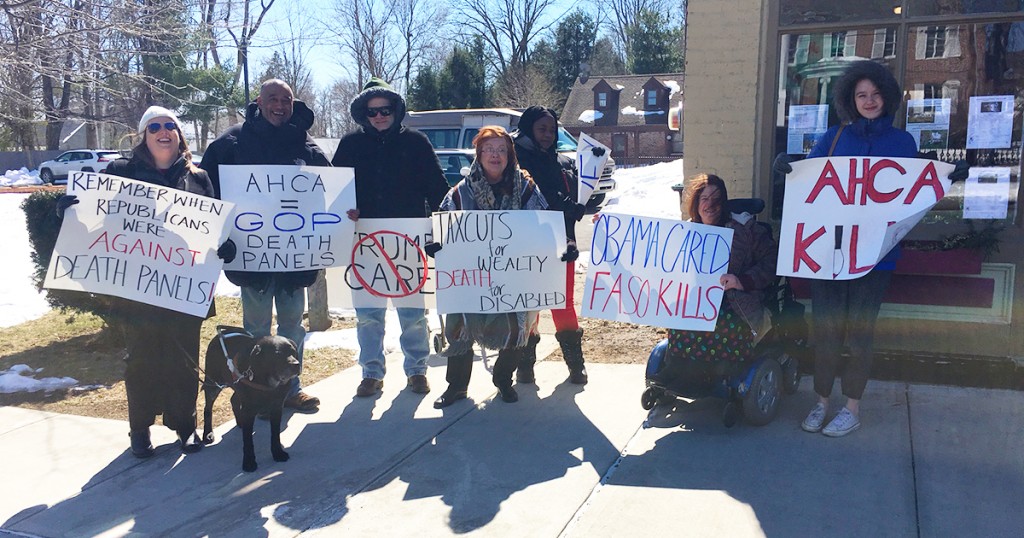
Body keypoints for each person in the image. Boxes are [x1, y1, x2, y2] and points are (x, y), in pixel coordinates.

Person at [774, 60, 966, 437]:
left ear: (887, 97)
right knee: (827, 330)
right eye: (861, 94)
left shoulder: (902, 143)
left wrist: (943, 177)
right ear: (850, 98)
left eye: (876, 94)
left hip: (876, 257)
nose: (869, 100)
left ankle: (852, 407)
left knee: (860, 334)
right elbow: (809, 186)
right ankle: (822, 401)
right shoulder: (832, 138)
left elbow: (911, 194)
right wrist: (790, 167)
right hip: (829, 254)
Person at [56, 106, 235, 458]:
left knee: (184, 359)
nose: (163, 131)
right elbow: (101, 221)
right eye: (155, 126)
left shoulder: (198, 178)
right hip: (137, 288)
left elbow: (212, 226)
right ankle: (139, 430)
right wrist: (69, 212)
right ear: (144, 134)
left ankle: (185, 425)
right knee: (141, 359)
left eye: (170, 125)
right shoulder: (121, 171)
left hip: (184, 286)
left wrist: (223, 245)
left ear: (179, 134)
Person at [200, 79, 329, 413]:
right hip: (251, 259)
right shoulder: (231, 142)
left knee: (292, 329)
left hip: (294, 260)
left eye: (286, 100)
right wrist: (219, 235)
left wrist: (345, 213)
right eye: (273, 99)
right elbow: (203, 189)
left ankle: (290, 389)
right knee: (255, 331)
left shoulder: (305, 142)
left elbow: (331, 187)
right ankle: (255, 391)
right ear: (259, 101)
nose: (279, 106)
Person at [333, 78, 450, 397]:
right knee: (368, 313)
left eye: (385, 109)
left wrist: (442, 227)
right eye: (372, 112)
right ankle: (371, 371)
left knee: (412, 311)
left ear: (396, 110)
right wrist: (346, 211)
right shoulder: (350, 145)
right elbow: (336, 193)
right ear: (363, 114)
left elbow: (439, 190)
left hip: (408, 239)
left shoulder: (416, 142)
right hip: (364, 240)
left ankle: (417, 369)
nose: (380, 116)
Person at [431, 126, 555, 408]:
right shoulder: (462, 191)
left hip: (514, 272)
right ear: (479, 154)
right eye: (489, 150)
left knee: (517, 325)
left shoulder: (525, 187)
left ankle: (503, 379)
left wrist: (562, 243)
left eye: (501, 150)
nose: (495, 155)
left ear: (510, 155)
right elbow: (442, 225)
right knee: (460, 326)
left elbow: (545, 223)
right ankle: (456, 387)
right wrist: (436, 242)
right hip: (471, 275)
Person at [656, 174, 778, 398]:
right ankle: (682, 375)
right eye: (704, 199)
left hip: (736, 304)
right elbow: (650, 259)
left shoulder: (745, 229)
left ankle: (715, 377)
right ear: (696, 203)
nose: (710, 205)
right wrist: (604, 230)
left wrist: (742, 281)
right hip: (697, 302)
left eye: (716, 199)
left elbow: (771, 260)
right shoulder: (685, 233)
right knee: (681, 325)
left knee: (722, 327)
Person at [512, 106, 589, 385]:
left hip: (561, 242)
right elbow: (536, 194)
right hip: (527, 242)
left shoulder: (562, 161)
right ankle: (525, 364)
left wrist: (582, 203)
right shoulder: (515, 158)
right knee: (531, 304)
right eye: (541, 129)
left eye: (551, 129)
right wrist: (566, 205)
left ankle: (575, 365)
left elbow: (574, 198)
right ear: (529, 128)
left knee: (562, 302)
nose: (547, 135)